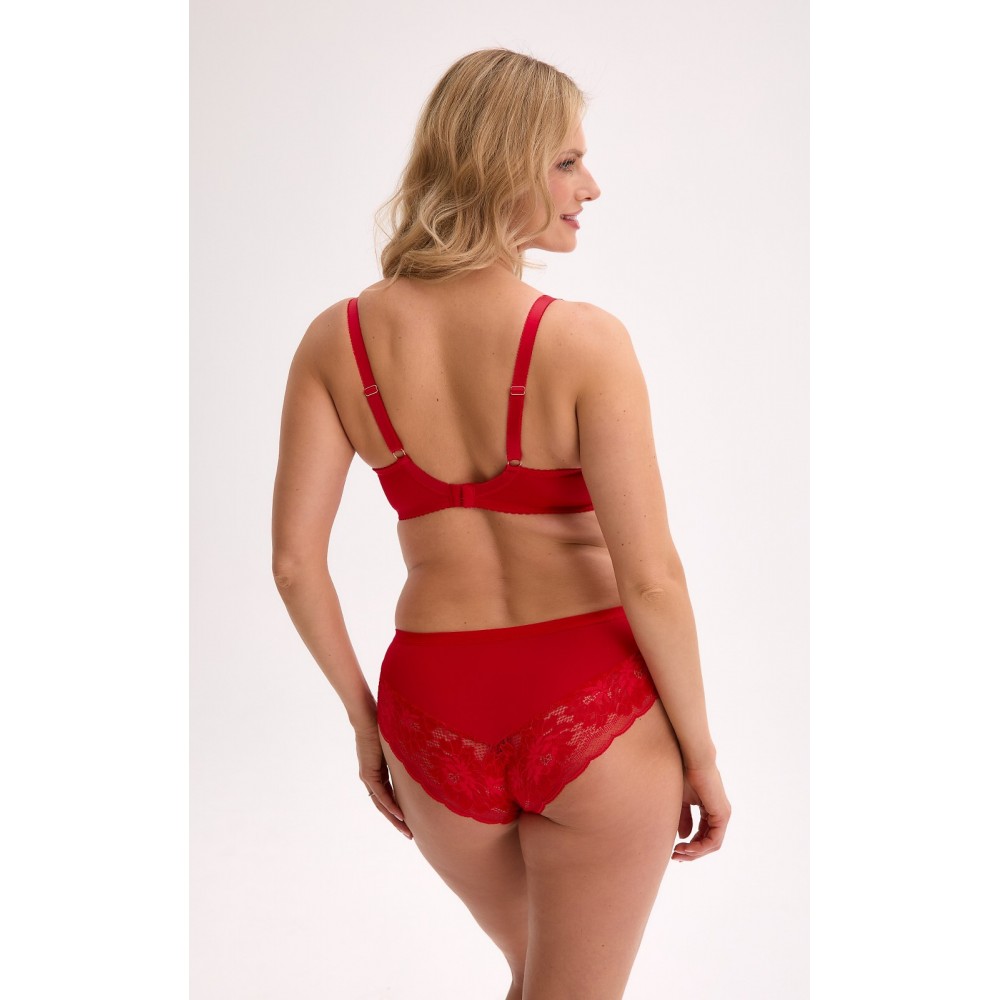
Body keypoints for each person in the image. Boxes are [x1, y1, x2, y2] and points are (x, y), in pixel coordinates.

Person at [271, 48, 730, 1000]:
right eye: (567, 162)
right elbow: (651, 578)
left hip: (430, 712)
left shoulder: (335, 340)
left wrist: (366, 724)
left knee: (536, 978)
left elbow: (294, 564)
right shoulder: (585, 340)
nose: (590, 187)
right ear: (500, 164)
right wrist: (702, 754)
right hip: (590, 702)